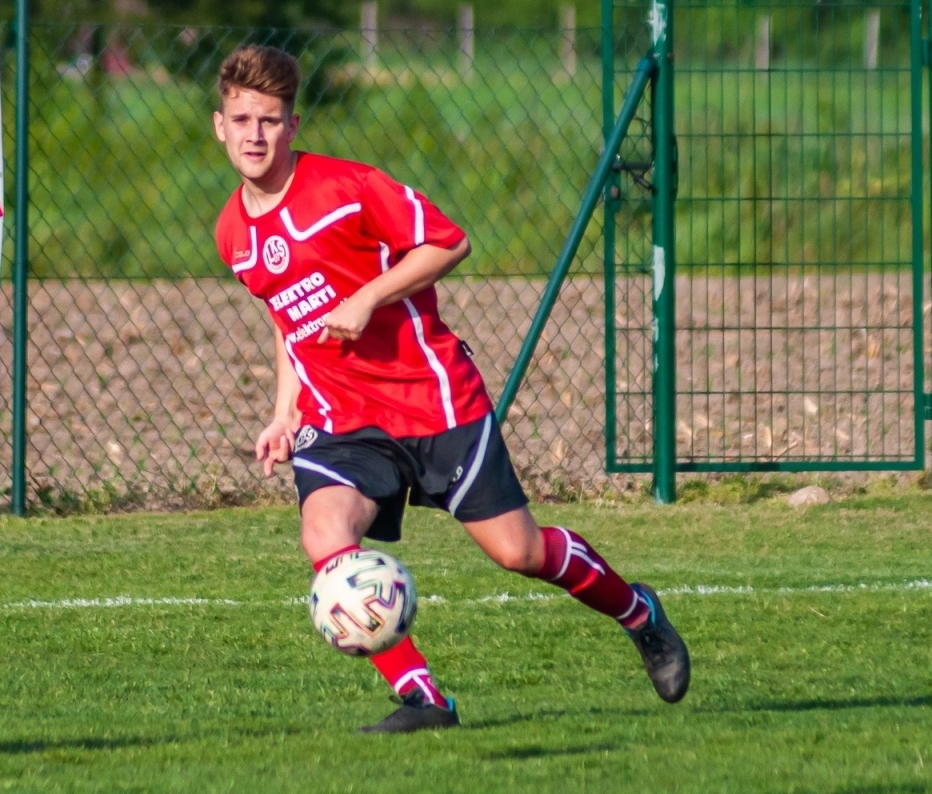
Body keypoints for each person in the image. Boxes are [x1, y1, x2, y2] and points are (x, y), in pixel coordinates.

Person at [211, 45, 689, 732]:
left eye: (271, 120)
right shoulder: (234, 231)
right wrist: (283, 411)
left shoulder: (346, 187)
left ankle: (638, 612)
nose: (255, 134)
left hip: (431, 400)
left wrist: (369, 297)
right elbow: (285, 321)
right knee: (323, 536)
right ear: (219, 126)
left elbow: (448, 242)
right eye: (243, 119)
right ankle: (424, 698)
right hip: (341, 419)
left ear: (294, 125)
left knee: (519, 552)